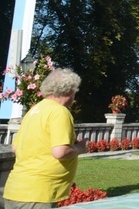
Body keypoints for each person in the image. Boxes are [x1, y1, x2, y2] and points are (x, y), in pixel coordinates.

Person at [3, 68, 88, 209]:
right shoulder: (59, 111)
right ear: (69, 91)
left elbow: (15, 148)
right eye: (75, 92)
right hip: (38, 194)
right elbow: (60, 152)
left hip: (15, 190)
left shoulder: (33, 111)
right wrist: (80, 148)